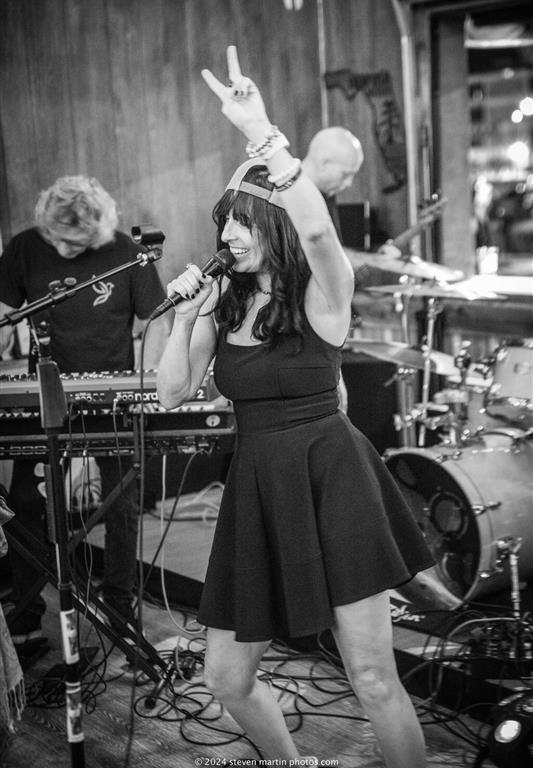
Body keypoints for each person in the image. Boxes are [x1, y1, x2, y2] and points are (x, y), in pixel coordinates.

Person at [156, 46, 433, 766]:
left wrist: (262, 135)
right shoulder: (229, 305)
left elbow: (316, 231)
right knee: (225, 677)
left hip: (332, 479)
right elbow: (171, 391)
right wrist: (187, 318)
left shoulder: (322, 297)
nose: (228, 236)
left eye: (243, 223)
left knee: (372, 678)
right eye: (225, 223)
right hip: (257, 487)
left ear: (270, 228)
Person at [0, 175, 171, 645]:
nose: (63, 248)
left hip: (112, 395)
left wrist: (145, 384)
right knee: (25, 503)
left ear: (97, 231)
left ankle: (118, 606)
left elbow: (158, 315)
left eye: (74, 242)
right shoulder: (23, 249)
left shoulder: (124, 252)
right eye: (55, 239)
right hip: (45, 392)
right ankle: (27, 612)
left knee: (122, 504)